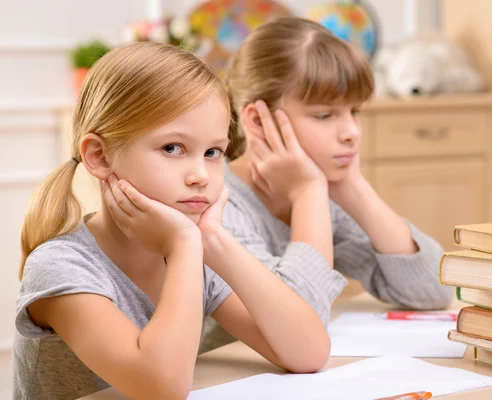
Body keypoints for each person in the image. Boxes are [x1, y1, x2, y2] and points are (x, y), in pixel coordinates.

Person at [13, 42, 330, 400]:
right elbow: (162, 387)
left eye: (213, 152)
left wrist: (214, 240)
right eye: (172, 148)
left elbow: (309, 353)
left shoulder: (195, 252)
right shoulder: (62, 266)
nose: (200, 175)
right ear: (100, 156)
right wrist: (184, 247)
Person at [201, 17, 453, 351]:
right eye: (325, 115)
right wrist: (308, 193)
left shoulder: (327, 195)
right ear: (257, 120)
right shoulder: (216, 206)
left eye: (355, 111)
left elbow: (434, 292)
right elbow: (302, 325)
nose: (351, 132)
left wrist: (354, 188)